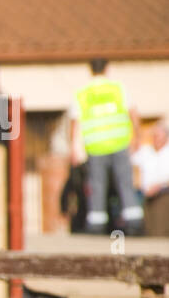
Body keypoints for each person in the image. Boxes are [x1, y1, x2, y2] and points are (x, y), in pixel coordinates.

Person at [70, 58, 143, 235]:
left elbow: (74, 121)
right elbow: (133, 113)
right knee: (125, 182)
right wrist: (137, 137)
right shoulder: (117, 88)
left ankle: (97, 224)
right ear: (107, 68)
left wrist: (73, 147)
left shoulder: (83, 92)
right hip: (119, 143)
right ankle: (133, 222)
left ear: (90, 70)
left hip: (96, 146)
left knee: (97, 184)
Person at [132, 121, 169, 237]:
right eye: (154, 136)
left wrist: (159, 186)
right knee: (148, 230)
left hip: (163, 194)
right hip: (145, 195)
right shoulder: (146, 151)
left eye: (158, 136)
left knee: (160, 231)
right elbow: (132, 160)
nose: (155, 138)